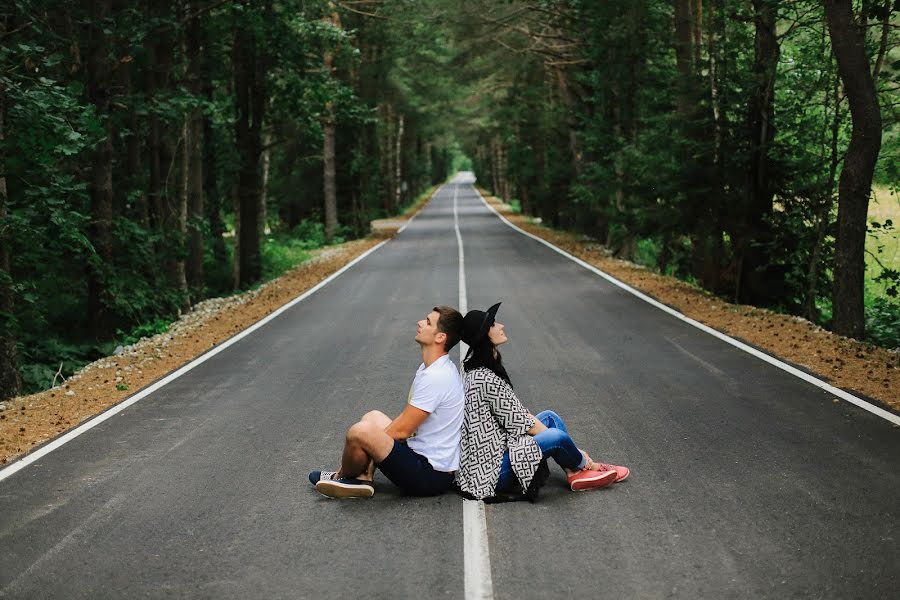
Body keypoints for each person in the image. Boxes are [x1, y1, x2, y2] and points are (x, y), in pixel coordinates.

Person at [455, 302, 630, 501]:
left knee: (549, 417)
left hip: (494, 454)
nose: (501, 326)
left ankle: (575, 473)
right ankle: (586, 466)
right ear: (485, 335)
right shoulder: (485, 378)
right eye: (494, 324)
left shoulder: (478, 369)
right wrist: (578, 452)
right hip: (490, 474)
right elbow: (525, 424)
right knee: (556, 437)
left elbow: (517, 415)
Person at [309, 306, 465, 499]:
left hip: (430, 475)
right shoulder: (431, 368)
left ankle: (343, 476)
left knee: (360, 432)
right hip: (421, 456)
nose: (419, 323)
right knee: (372, 417)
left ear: (440, 337)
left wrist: (370, 448)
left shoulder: (437, 376)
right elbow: (405, 420)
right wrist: (375, 446)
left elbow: (402, 431)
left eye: (427, 321)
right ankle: (361, 478)